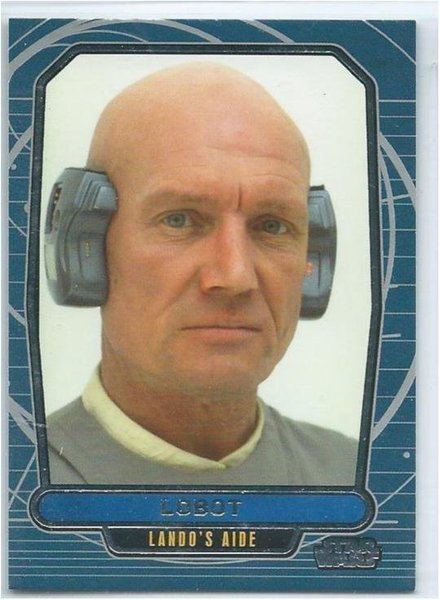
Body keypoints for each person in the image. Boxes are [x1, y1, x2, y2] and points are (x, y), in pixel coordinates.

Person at [47, 62, 357, 485]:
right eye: (179, 220)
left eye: (272, 226)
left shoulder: (365, 480)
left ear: (313, 261)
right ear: (83, 250)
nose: (235, 276)